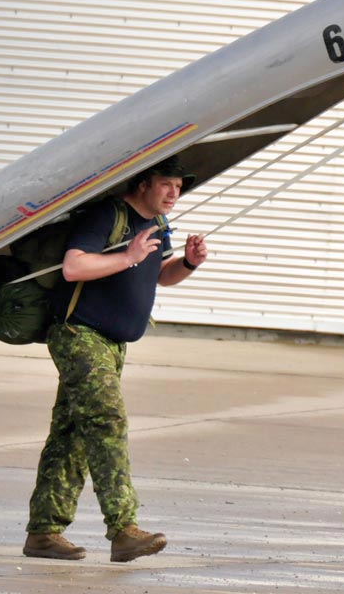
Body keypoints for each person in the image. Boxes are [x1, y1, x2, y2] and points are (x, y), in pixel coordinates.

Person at [23, 155, 208, 562]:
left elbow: (161, 273)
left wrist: (189, 263)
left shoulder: (157, 225)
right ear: (144, 183)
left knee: (71, 435)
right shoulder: (107, 215)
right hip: (79, 334)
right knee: (107, 420)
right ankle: (123, 528)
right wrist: (128, 256)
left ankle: (43, 532)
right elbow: (74, 267)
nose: (174, 193)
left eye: (179, 186)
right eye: (166, 184)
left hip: (112, 344)